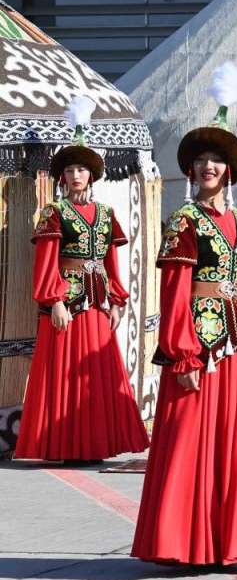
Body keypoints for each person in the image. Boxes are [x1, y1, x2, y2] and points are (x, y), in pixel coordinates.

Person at [132, 64, 237, 573]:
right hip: (198, 349)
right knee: (189, 438)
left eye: (217, 160)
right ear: (190, 171)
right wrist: (182, 353)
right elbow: (174, 292)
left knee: (231, 444)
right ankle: (182, 544)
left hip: (234, 349)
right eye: (201, 160)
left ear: (229, 171)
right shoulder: (183, 222)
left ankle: (228, 544)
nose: (208, 166)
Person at [14, 96, 148, 464]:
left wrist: (117, 300)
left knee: (96, 373)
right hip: (67, 305)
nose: (76, 175)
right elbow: (46, 261)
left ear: (91, 175)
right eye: (70, 169)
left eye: (82, 169)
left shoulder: (106, 213)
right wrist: (54, 300)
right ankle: (69, 445)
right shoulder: (54, 212)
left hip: (99, 305)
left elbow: (111, 261)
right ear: (62, 176)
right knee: (66, 373)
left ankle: (96, 444)